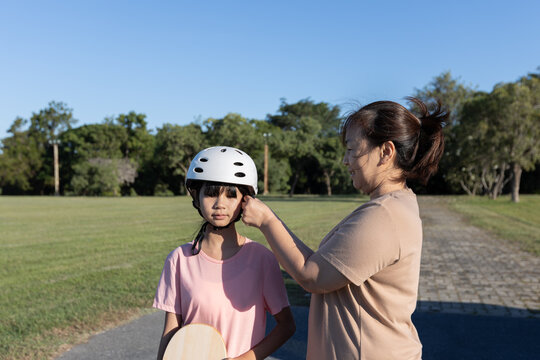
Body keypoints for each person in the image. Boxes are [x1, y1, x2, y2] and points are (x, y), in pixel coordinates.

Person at [242, 98, 447, 359]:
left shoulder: (384, 215)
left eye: (352, 149)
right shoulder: (395, 206)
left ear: (386, 152)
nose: (345, 160)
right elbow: (322, 265)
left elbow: (312, 275)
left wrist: (267, 221)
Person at [153, 146, 295, 360]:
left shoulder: (262, 259)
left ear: (245, 200)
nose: (220, 204)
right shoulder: (179, 259)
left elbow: (286, 326)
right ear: (196, 196)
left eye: (231, 195)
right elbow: (171, 331)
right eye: (210, 194)